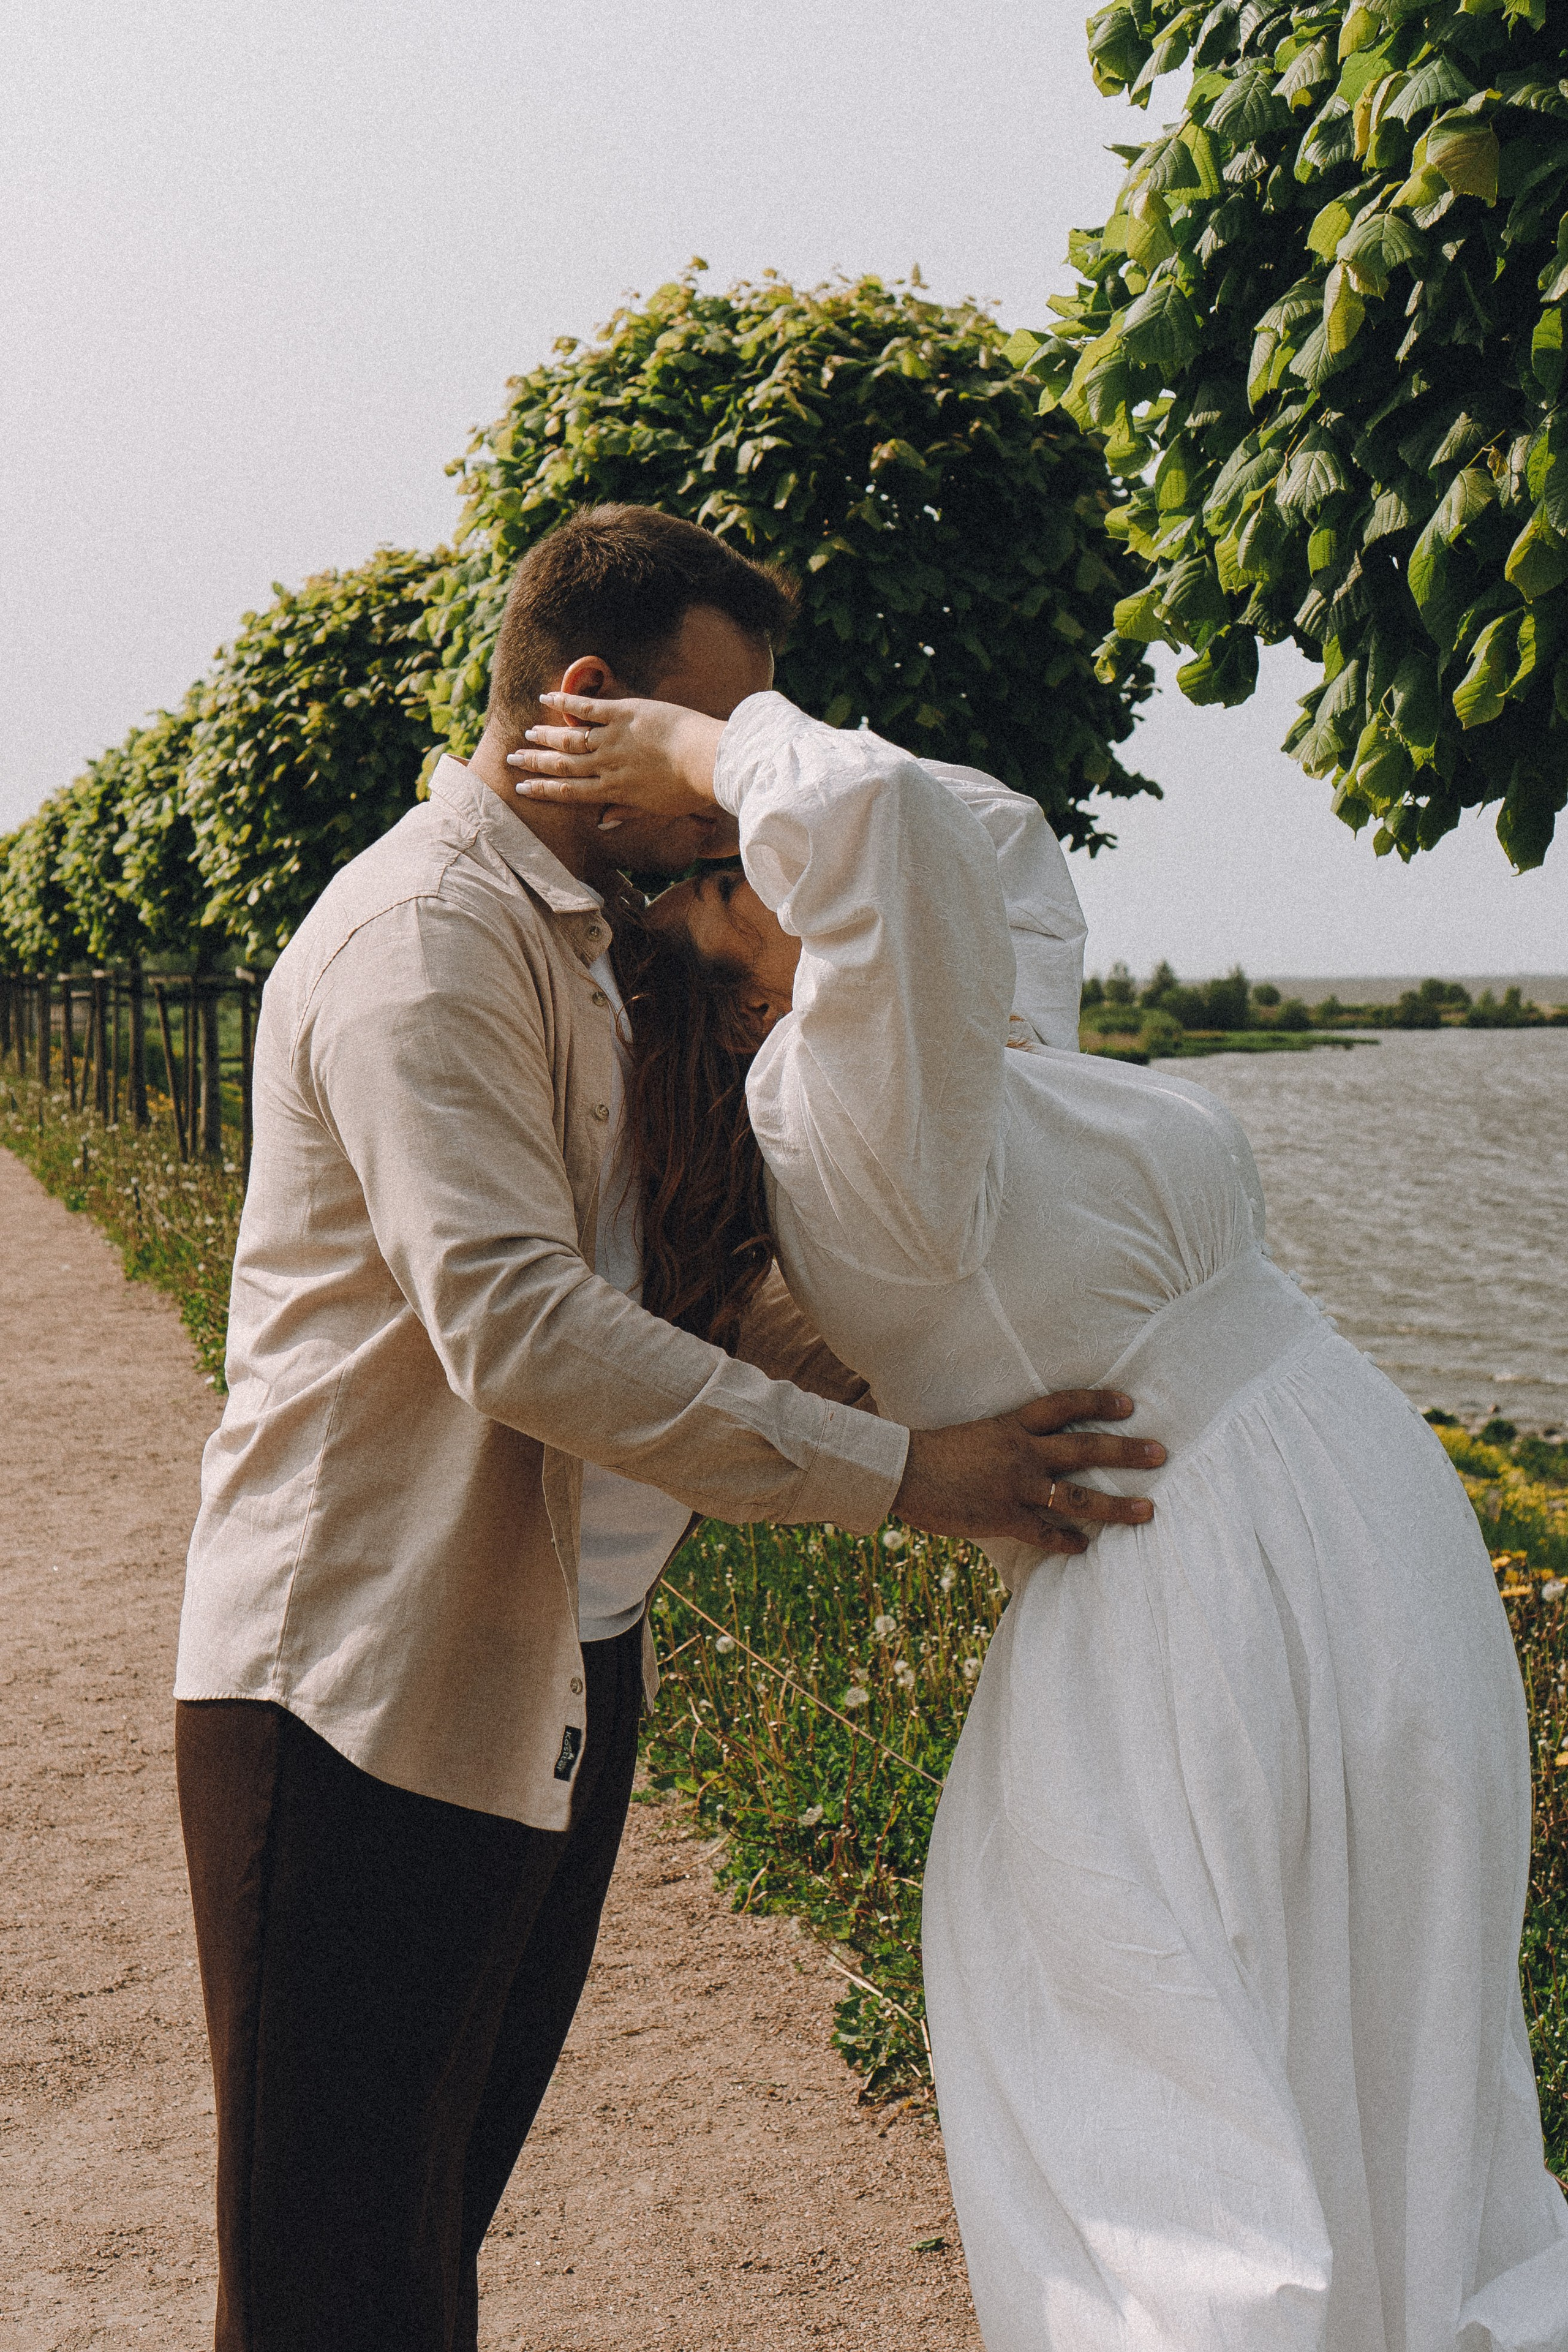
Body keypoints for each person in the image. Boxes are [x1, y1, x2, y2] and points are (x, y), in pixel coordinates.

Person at [173, 505, 1163, 2352]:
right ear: (583, 703)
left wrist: (966, 1365)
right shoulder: (427, 937)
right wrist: (910, 1481)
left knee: (424, 2239)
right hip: (358, 1690)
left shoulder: (599, 943)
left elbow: (687, 1286)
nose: (727, 802)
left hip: (560, 1663)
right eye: (703, 737)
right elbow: (521, 1332)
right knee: (328, 2283)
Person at [511, 680, 1568, 2352]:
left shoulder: (961, 1067)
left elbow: (986, 836)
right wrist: (705, 748)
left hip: (1341, 1554)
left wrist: (716, 767)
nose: (756, 840)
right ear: (738, 1012)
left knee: (1405, 2042)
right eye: (728, 868)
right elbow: (891, 833)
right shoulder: (847, 1122)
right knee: (1191, 2112)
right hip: (1205, 1596)